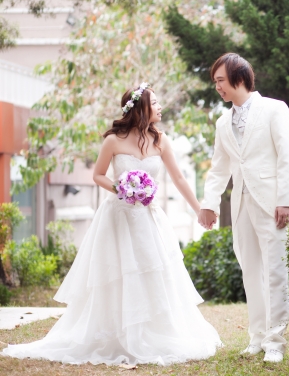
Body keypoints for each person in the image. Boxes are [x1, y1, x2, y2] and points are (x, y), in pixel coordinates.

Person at [2, 84, 222, 365]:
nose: (160, 107)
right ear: (140, 108)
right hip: (118, 218)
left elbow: (179, 179)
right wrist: (123, 188)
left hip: (149, 218)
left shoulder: (161, 140)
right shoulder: (113, 140)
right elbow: (98, 175)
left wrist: (199, 209)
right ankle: (117, 332)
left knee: (152, 271)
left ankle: (153, 329)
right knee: (119, 273)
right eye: (155, 102)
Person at [198, 53, 289, 363]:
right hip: (241, 203)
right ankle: (257, 336)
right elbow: (219, 168)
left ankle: (275, 341)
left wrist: (286, 201)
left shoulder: (274, 109)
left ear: (239, 79)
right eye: (215, 82)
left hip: (273, 204)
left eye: (220, 81)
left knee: (275, 271)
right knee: (250, 272)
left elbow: (287, 156)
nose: (217, 87)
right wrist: (209, 204)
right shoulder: (222, 122)